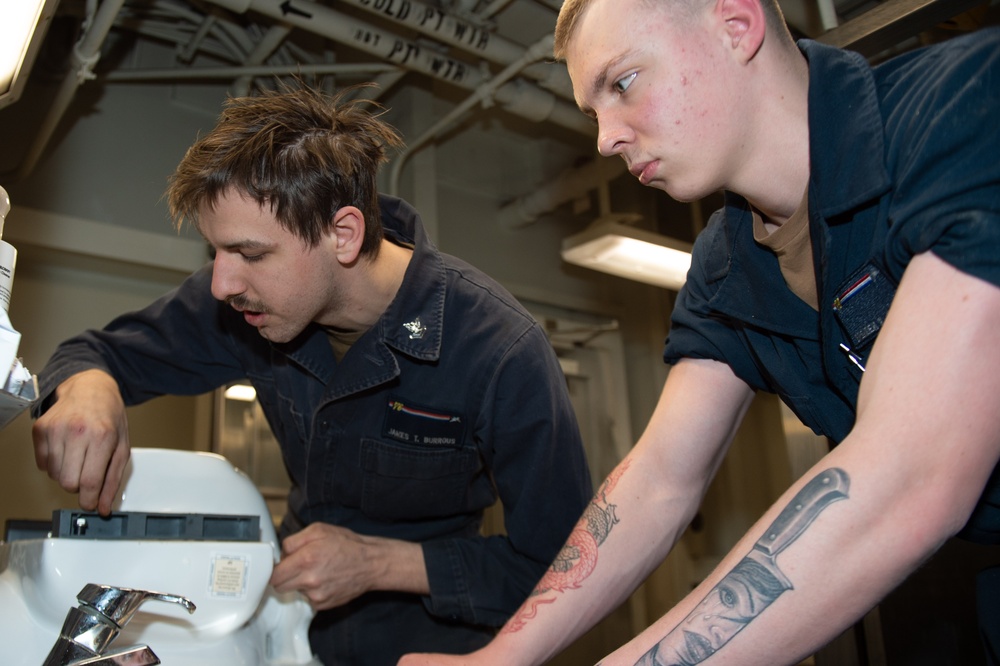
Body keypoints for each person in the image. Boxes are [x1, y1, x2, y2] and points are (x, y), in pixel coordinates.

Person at [399, 0, 1000, 664]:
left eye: (622, 83)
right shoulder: (724, 265)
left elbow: (911, 472)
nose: (603, 139)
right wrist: (498, 660)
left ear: (735, 25)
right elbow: (659, 480)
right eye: (592, 112)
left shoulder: (968, 102)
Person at [29, 84, 593, 665]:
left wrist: (380, 563)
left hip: (432, 642)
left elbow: (568, 568)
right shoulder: (237, 304)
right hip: (289, 622)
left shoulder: (500, 350)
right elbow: (93, 352)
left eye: (250, 254)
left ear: (342, 234)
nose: (222, 284)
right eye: (215, 254)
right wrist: (89, 386)